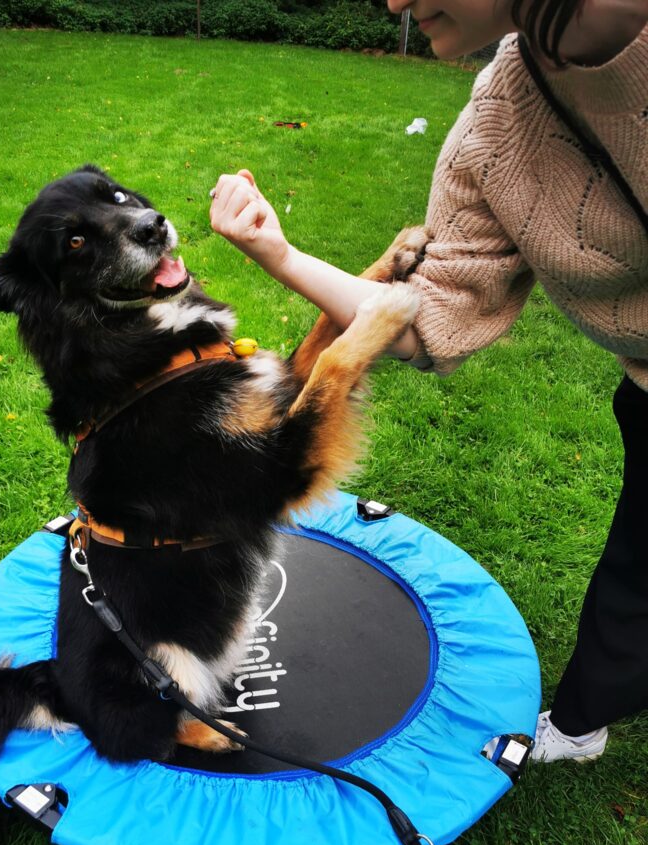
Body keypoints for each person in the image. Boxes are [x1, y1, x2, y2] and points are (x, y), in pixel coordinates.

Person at [209, 0, 648, 762]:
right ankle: (581, 726)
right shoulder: (497, 123)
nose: (392, 4)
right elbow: (424, 318)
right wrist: (276, 253)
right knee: (638, 573)